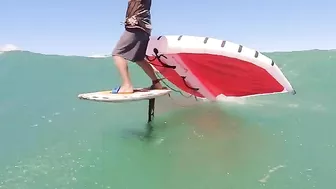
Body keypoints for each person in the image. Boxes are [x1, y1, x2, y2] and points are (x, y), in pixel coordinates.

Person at [111, 0, 165, 94]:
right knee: (139, 58)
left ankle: (127, 85)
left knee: (117, 53)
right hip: (145, 28)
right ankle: (157, 84)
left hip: (136, 26)